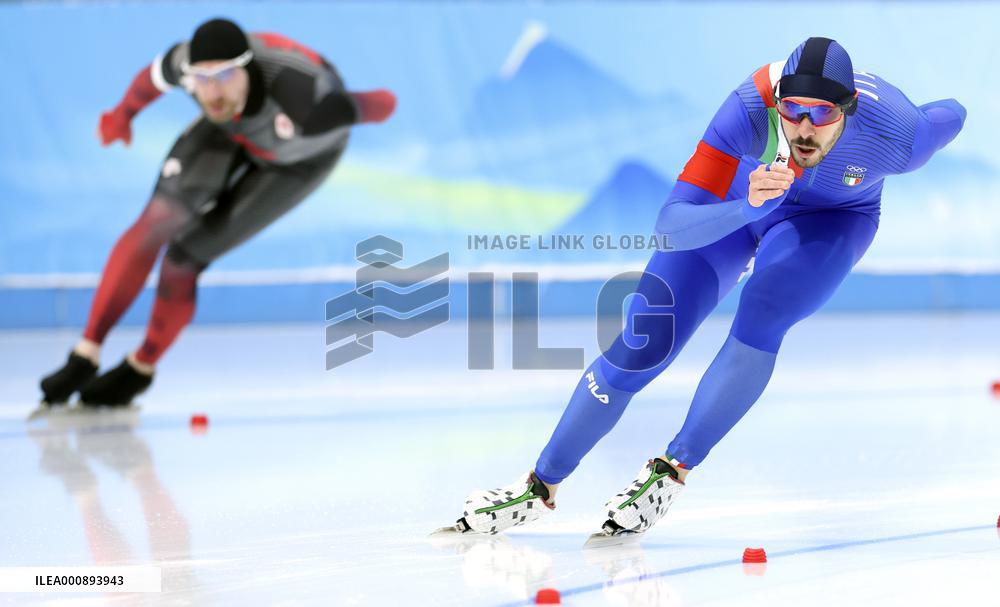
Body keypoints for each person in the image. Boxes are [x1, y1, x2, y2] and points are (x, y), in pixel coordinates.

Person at [449, 37, 966, 540]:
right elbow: (671, 226)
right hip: (743, 202)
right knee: (640, 344)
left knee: (762, 311)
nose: (805, 129)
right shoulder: (747, 109)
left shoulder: (899, 134)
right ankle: (539, 486)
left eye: (824, 115)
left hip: (833, 221)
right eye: (793, 111)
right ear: (777, 102)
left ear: (849, 109)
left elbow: (953, 112)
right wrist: (746, 208)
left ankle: (671, 471)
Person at [39, 18, 396, 406]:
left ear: (246, 66)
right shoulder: (188, 69)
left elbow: (380, 104)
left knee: (184, 257)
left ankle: (140, 366)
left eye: (224, 76)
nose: (211, 90)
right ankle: (85, 354)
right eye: (201, 78)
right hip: (230, 131)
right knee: (153, 225)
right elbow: (149, 80)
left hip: (297, 162)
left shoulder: (302, 94)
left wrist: (365, 107)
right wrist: (122, 116)